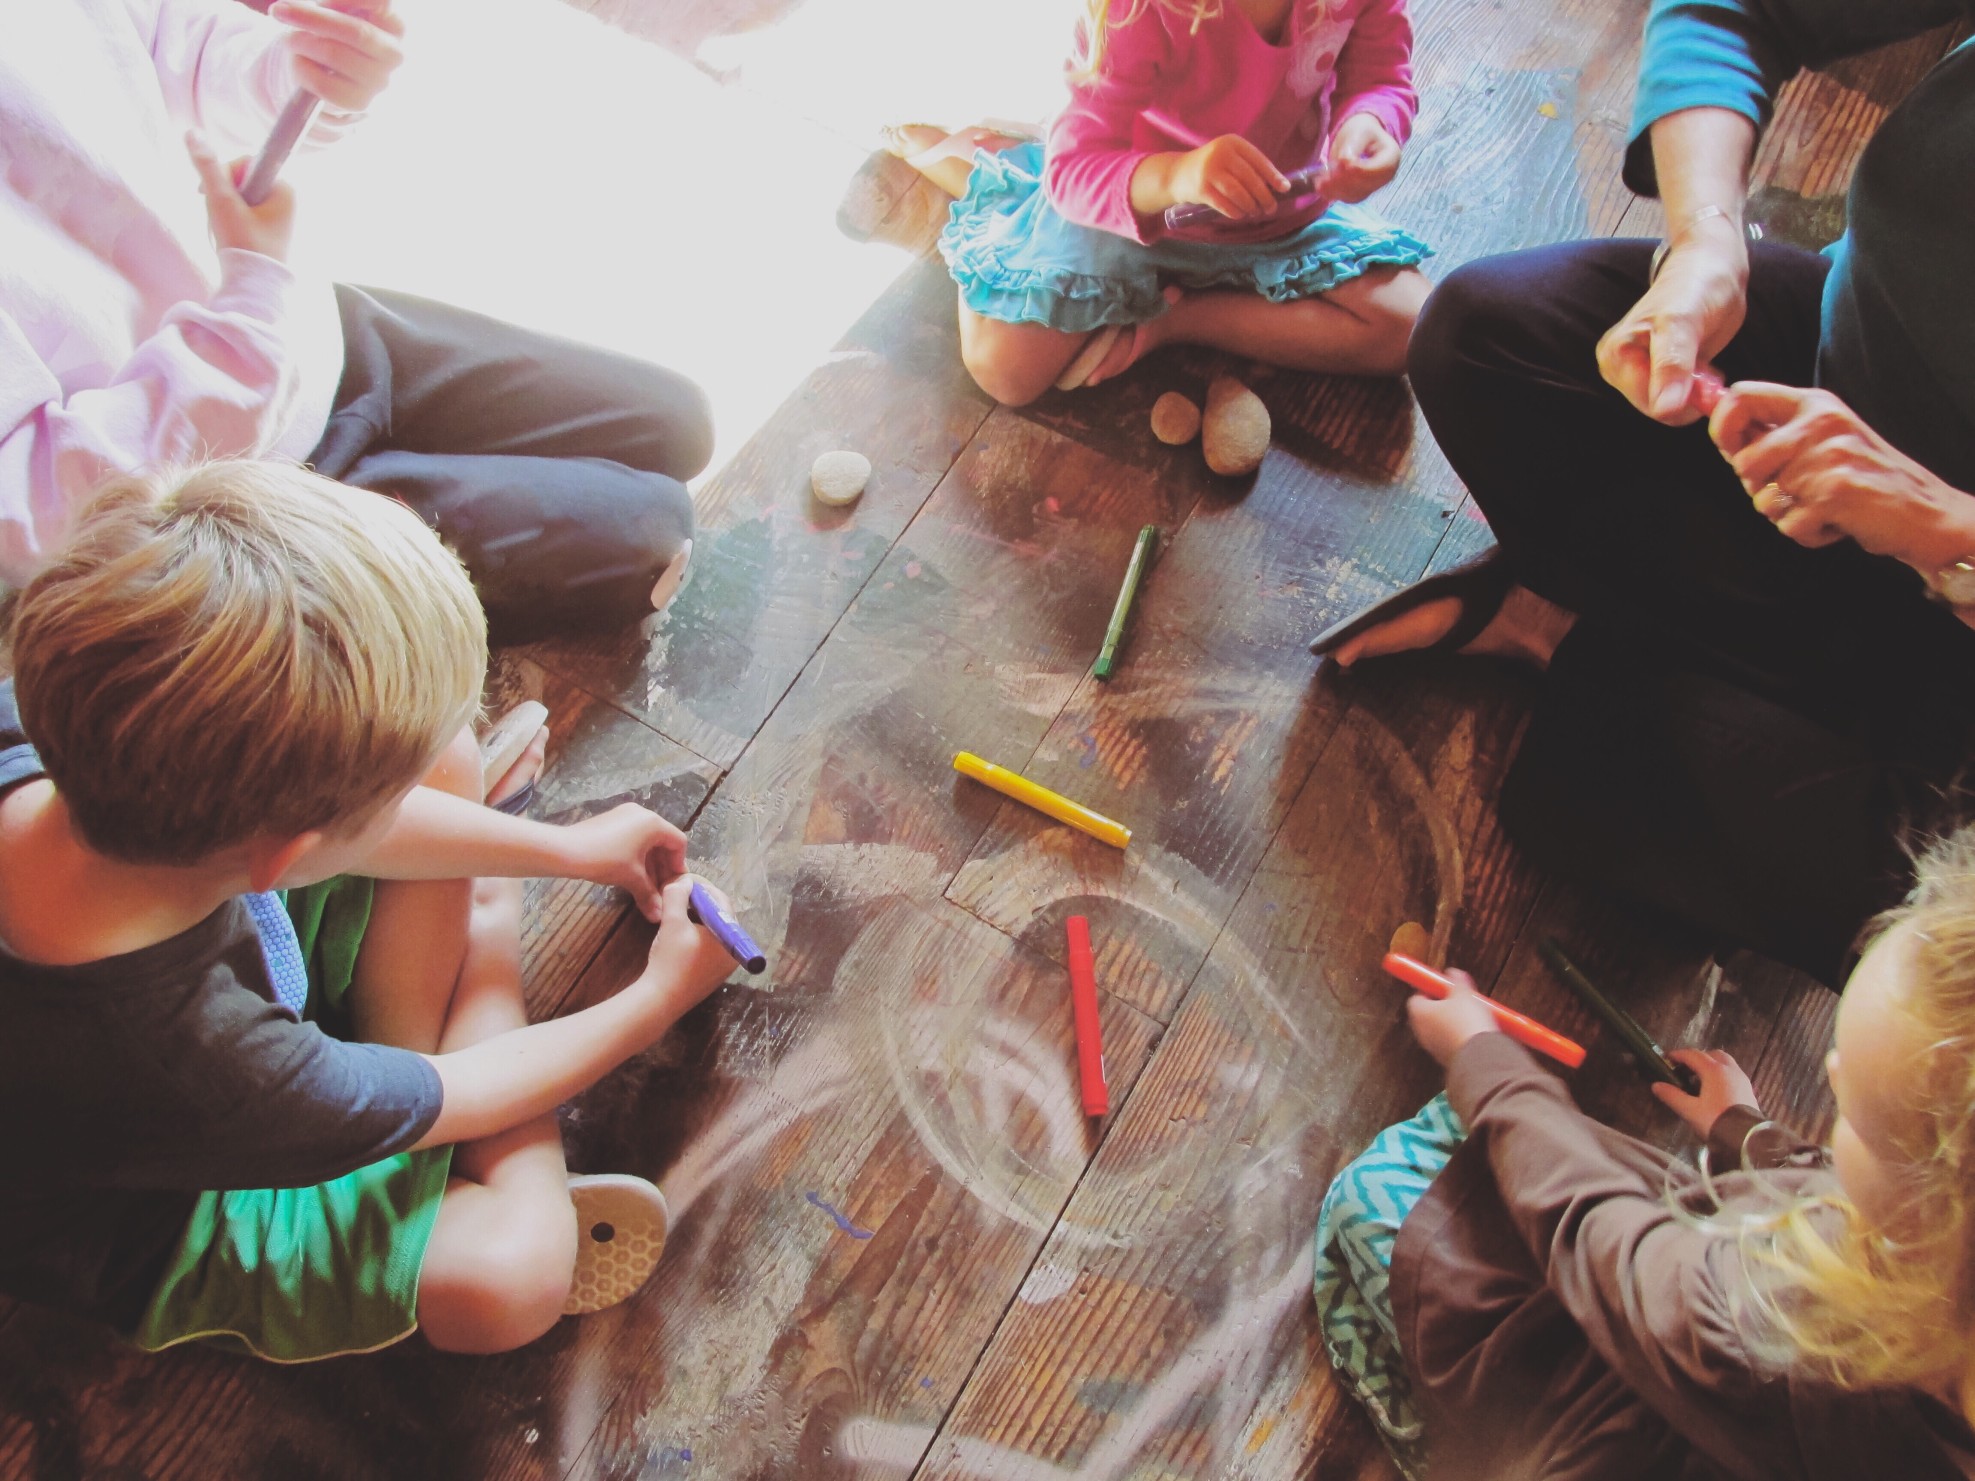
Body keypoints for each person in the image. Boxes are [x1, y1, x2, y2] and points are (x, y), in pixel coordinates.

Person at [0, 461, 740, 1358]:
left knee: (442, 763)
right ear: (280, 859)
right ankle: (473, 970)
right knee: (511, 1277)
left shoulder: (52, 725)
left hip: (210, 979)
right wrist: (651, 995)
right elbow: (457, 1094)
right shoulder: (194, 1062)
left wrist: (562, 848)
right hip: (160, 1199)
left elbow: (301, 827)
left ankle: (404, 1058)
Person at [1307, 0, 1975, 987]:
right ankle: (1751, 693)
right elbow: (1731, 8)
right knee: (1477, 336)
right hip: (1834, 372)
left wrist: (1941, 529)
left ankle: (1563, 635)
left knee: (1923, 938)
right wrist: (1707, 247)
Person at [1, 0, 708, 644]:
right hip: (222, 513)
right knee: (652, 538)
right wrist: (250, 294)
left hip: (304, 327)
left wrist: (294, 69)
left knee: (679, 420)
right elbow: (56, 517)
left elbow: (169, 38)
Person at [1313, 827, 1975, 1480]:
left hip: (1609, 1382)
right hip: (1681, 1326)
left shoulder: (1773, 1328)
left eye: (1855, 1117)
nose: (1830, 1073)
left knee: (1368, 1192)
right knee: (1479, 1142)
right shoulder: (1943, 1279)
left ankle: (1426, 1446)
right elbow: (1840, 1183)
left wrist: (1481, 1057)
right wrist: (1743, 1128)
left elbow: (1598, 1234)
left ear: (1927, 1217)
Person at [890, 0, 1433, 407]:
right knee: (1004, 371)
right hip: (1134, 212)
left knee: (1412, 329)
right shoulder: (1142, 10)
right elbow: (1076, 169)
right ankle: (1001, 188)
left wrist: (1369, 123)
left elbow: (1380, 74)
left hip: (1281, 211)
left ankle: (1170, 319)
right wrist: (1180, 173)